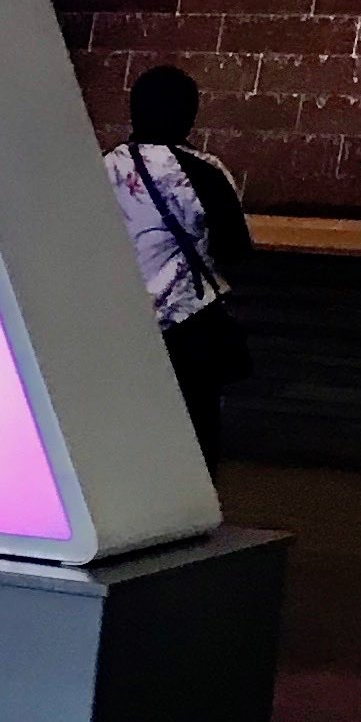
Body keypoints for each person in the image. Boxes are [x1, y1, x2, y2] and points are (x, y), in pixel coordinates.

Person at [105, 64, 252, 467]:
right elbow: (234, 249)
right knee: (196, 426)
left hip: (121, 324)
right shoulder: (204, 171)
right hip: (190, 322)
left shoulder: (104, 167)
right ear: (188, 113)